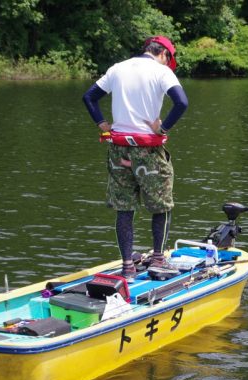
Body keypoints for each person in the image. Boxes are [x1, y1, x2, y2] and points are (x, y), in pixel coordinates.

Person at [82, 35, 188, 281]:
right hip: (148, 151)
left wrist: (102, 123)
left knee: (124, 208)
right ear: (164, 54)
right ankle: (159, 260)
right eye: (168, 61)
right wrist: (163, 128)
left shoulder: (118, 69)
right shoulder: (162, 72)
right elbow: (181, 102)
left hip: (118, 150)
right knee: (161, 207)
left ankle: (128, 266)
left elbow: (89, 97)